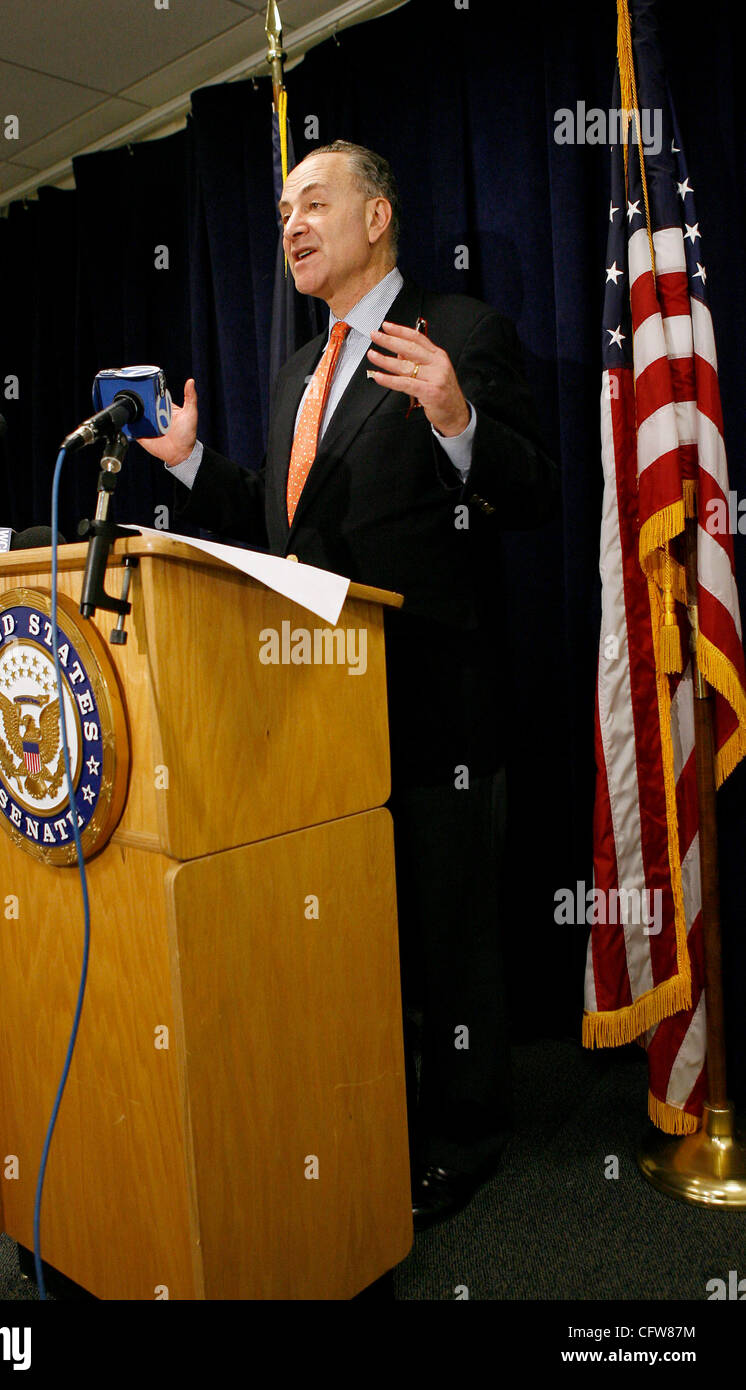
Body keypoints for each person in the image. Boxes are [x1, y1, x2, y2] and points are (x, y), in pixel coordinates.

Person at [141, 140, 558, 1229]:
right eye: (281, 210)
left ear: (376, 218)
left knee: (448, 934)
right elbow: (285, 530)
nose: (290, 225)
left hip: (435, 710)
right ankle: (366, 1114)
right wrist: (193, 467)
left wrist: (459, 420)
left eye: (311, 203)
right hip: (313, 716)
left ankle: (465, 1138)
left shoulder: (456, 333)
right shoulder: (294, 370)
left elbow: (536, 491)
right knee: (354, 941)